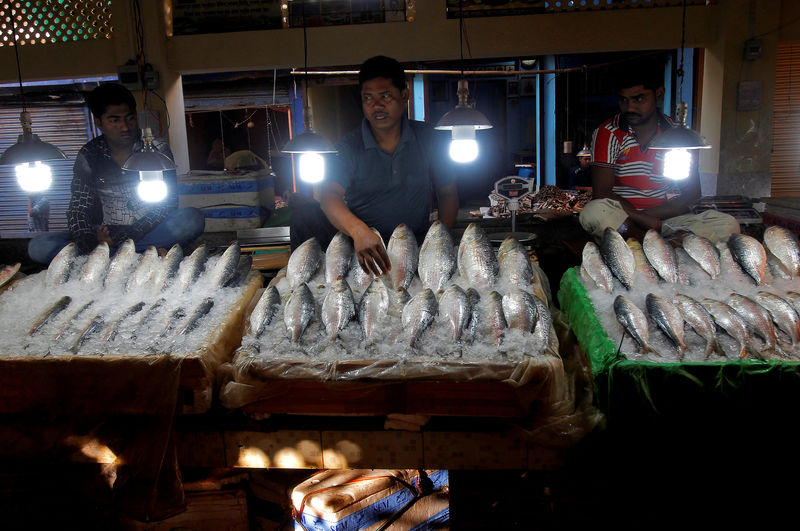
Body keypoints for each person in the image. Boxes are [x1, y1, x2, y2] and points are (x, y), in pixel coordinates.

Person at [290, 55, 458, 276]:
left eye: (385, 96)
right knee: (304, 214)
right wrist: (359, 231)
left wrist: (439, 240)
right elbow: (329, 197)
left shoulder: (428, 139)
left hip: (414, 247)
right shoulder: (348, 147)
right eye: (368, 98)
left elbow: (447, 194)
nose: (376, 105)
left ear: (405, 95)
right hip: (362, 252)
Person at [28, 83, 205, 265]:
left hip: (146, 231)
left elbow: (166, 205)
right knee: (39, 246)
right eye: (114, 120)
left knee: (192, 219)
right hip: (104, 233)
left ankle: (111, 257)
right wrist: (90, 242)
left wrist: (123, 238)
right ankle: (136, 255)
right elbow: (78, 208)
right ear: (99, 123)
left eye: (130, 119)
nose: (125, 127)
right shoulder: (90, 154)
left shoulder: (157, 150)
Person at [578, 59, 739, 244]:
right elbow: (602, 194)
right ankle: (661, 244)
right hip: (623, 219)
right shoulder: (608, 133)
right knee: (593, 212)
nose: (630, 108)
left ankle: (649, 240)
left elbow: (692, 193)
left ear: (659, 94)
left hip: (665, 219)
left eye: (638, 99)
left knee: (727, 224)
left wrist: (652, 220)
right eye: (624, 100)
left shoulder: (677, 135)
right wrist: (642, 219)